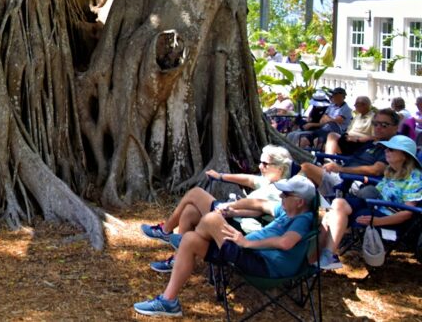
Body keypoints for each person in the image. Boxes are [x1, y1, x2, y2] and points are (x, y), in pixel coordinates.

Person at [133, 176, 317, 317]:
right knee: (190, 239)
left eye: (286, 194)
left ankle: (173, 240)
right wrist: (234, 211)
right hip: (248, 252)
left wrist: (247, 242)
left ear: (300, 201)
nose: (281, 196)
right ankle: (168, 302)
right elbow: (260, 205)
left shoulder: (303, 219)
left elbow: (286, 242)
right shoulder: (287, 212)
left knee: (211, 218)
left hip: (262, 263)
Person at [141, 146, 294, 271]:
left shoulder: (279, 191)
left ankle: (165, 231)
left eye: (265, 164)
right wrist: (220, 176)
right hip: (233, 215)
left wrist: (232, 211)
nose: (260, 166)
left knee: (196, 193)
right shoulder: (268, 181)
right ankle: (177, 258)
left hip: (238, 226)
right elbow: (248, 179)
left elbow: (258, 211)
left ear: (280, 169)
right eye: (261, 162)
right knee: (189, 211)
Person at [317, 135, 422, 270]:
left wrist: (378, 222)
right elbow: (378, 191)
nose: (386, 152)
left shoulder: (415, 178)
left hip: (387, 215)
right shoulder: (391, 170)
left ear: (405, 156)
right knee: (338, 204)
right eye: (386, 149)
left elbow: (408, 213)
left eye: (391, 150)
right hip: (375, 205)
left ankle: (321, 256)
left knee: (329, 216)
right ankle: (326, 256)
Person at [299, 107, 400, 197]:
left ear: (396, 127)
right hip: (343, 174)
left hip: (353, 181)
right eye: (375, 124)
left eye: (384, 125)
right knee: (302, 173)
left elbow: (376, 170)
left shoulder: (392, 148)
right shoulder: (373, 142)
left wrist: (341, 169)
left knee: (306, 167)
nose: (378, 127)